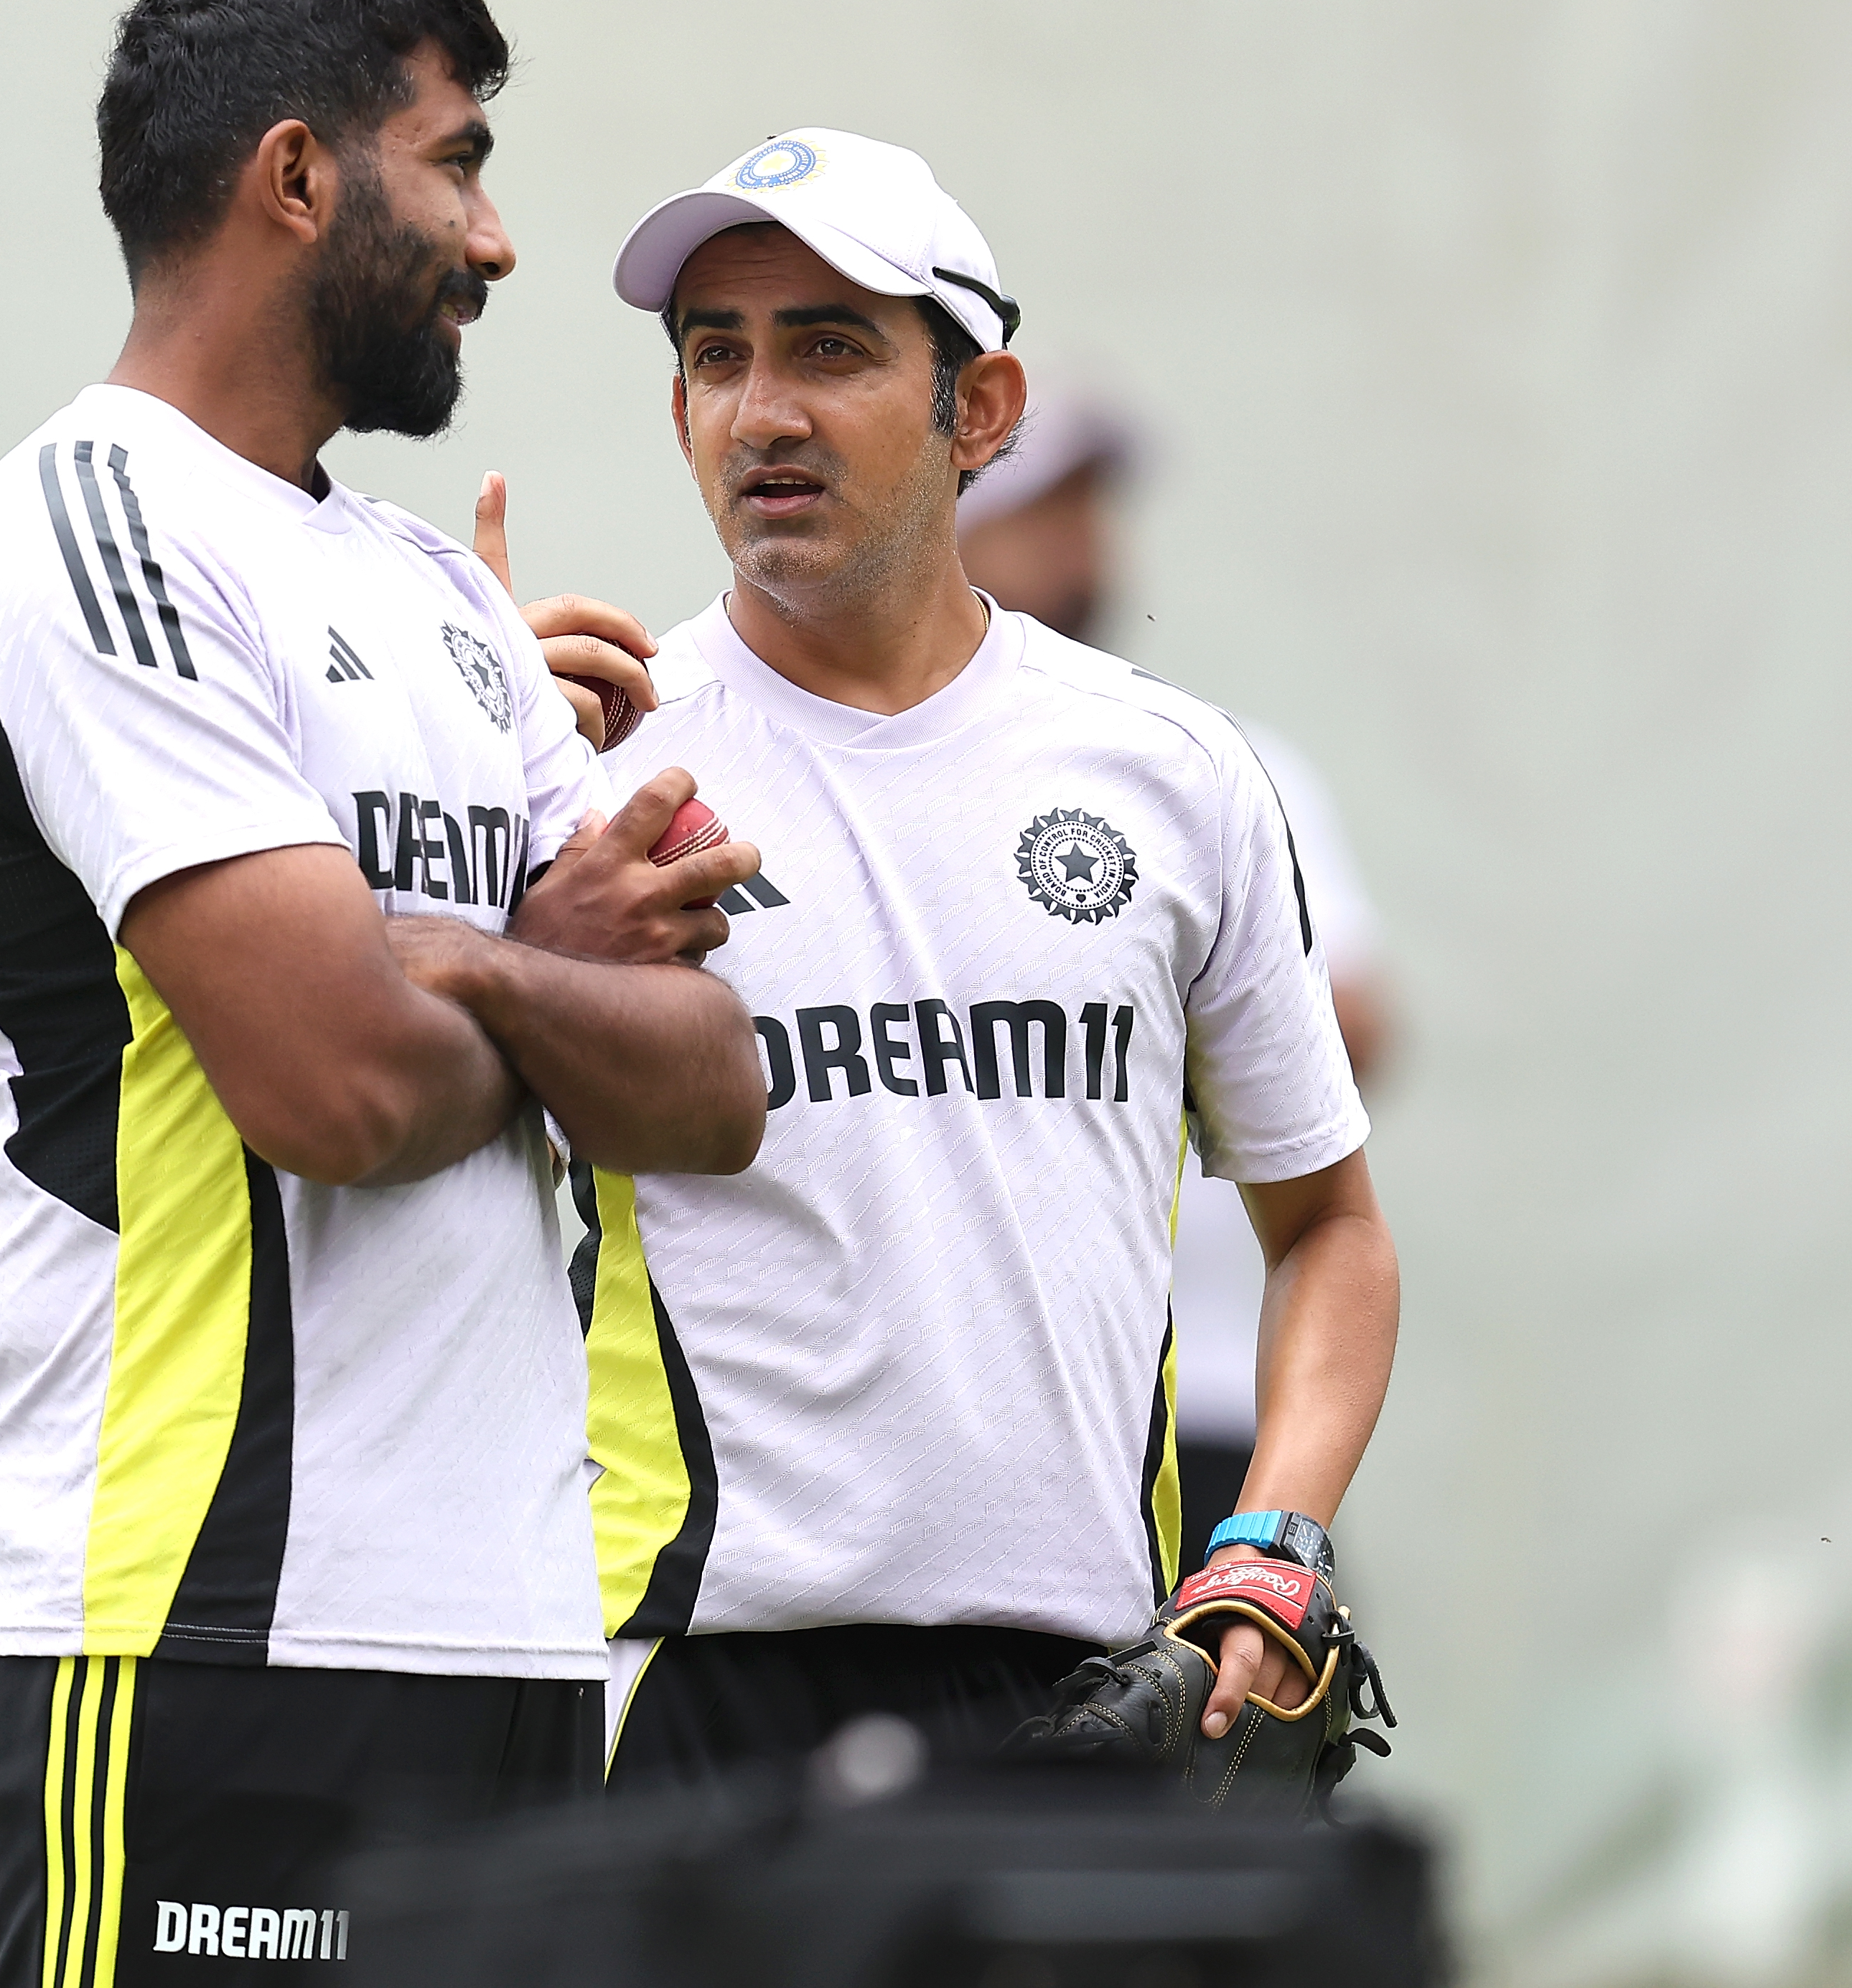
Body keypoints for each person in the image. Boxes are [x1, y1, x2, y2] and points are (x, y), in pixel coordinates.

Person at [0, 0, 766, 1984]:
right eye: (454, 162)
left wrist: (460, 963)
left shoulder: (428, 594)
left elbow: (716, 1086)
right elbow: (338, 1090)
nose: (495, 239)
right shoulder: (90, 530)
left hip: (514, 1641)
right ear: (297, 178)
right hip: (196, 1635)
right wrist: (530, 973)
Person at [551, 128, 1401, 1786]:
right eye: (715, 357)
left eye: (830, 347)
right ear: (676, 416)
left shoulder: (1176, 770)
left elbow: (1333, 1236)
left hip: (1082, 1696)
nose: (761, 409)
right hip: (678, 1689)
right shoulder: (575, 763)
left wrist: (1277, 1541)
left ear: (982, 414)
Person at [954, 387, 1399, 1558]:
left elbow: (1359, 1023)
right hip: (964, 1443)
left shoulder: (1213, 766)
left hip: (1207, 1400)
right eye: (1041, 508)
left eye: (1091, 509)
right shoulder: (852, 776)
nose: (1081, 541)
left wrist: (1140, 1006)